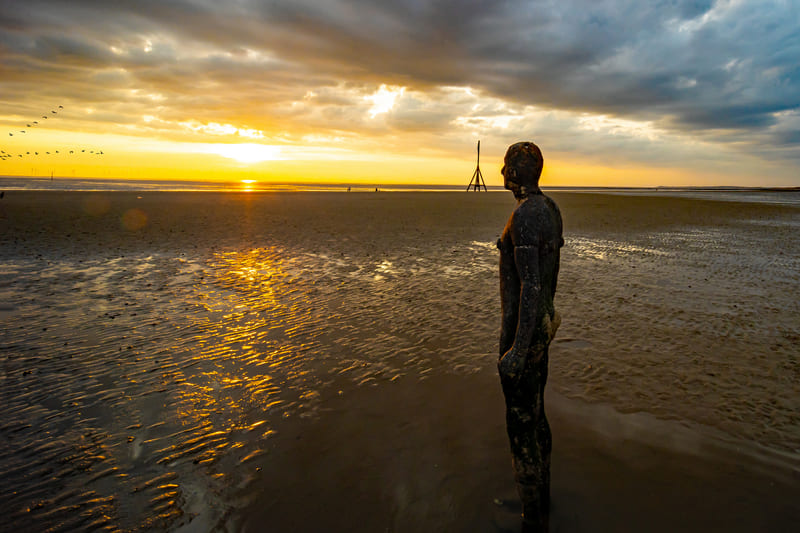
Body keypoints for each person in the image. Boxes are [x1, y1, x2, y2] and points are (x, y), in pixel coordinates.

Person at [497, 141, 564, 531]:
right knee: (538, 415)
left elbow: (532, 286)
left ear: (518, 172)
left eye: (506, 165)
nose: (502, 171)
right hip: (541, 329)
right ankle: (544, 501)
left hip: (522, 334)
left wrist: (517, 351)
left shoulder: (524, 216)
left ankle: (531, 515)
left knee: (521, 424)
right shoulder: (552, 210)